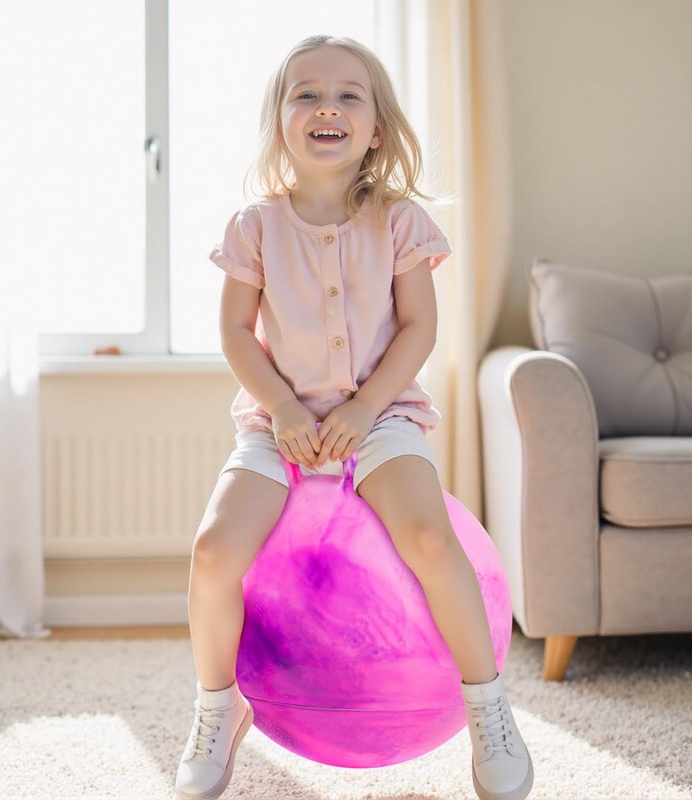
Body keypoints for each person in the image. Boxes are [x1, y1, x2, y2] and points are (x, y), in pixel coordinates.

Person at [176, 34, 534, 800]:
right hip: (277, 426)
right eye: (306, 94)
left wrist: (367, 408)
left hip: (383, 418)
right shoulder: (253, 226)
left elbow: (420, 329)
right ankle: (217, 708)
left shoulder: (400, 221)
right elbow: (236, 332)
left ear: (375, 128)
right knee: (212, 550)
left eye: (348, 95)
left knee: (429, 537)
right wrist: (281, 408)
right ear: (280, 121)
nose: (326, 107)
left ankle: (489, 708)